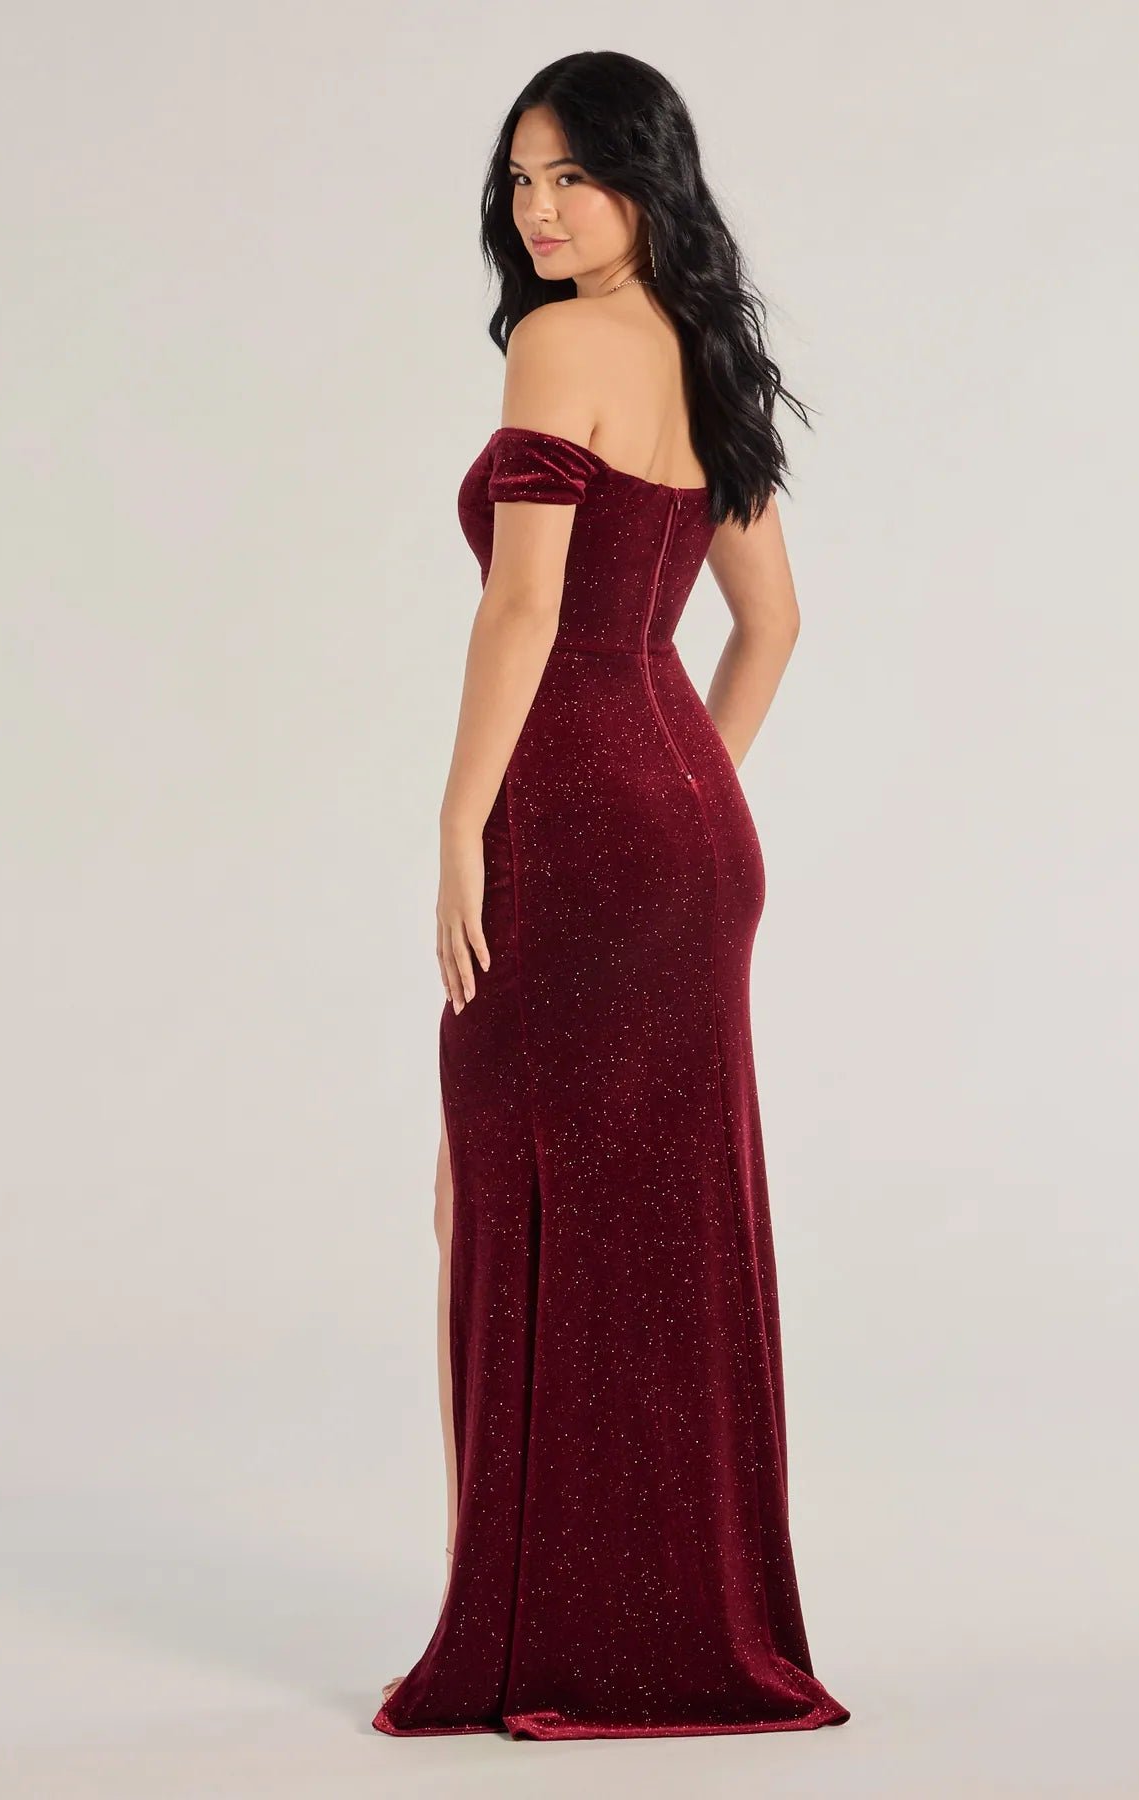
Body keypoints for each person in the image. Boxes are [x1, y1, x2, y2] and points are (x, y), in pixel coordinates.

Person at [374, 51, 851, 1741]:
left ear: (649, 176)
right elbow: (769, 625)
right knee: (642, 1225)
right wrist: (687, 793)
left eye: (572, 173)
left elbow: (522, 612)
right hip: (682, 835)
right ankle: (643, 1626)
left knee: (501, 1204)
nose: (540, 209)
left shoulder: (558, 342)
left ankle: (534, 1634)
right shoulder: (703, 352)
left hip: (570, 828)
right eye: (519, 180)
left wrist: (458, 824)